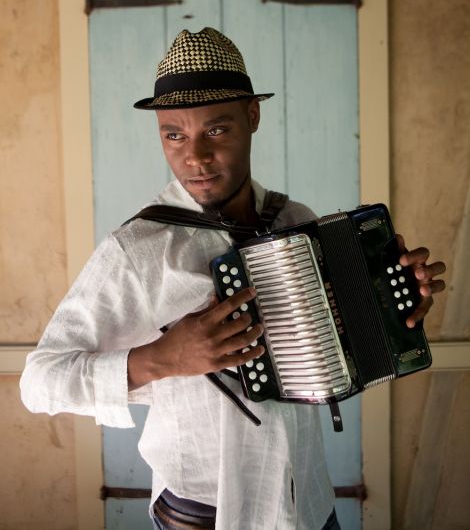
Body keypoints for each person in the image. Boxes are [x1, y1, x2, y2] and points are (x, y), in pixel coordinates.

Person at [20, 27, 446, 530]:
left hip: (309, 504)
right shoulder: (138, 248)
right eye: (173, 134)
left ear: (252, 117)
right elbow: (39, 382)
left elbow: (339, 348)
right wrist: (162, 359)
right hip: (204, 514)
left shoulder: (296, 221)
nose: (194, 157)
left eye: (216, 130)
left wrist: (393, 302)